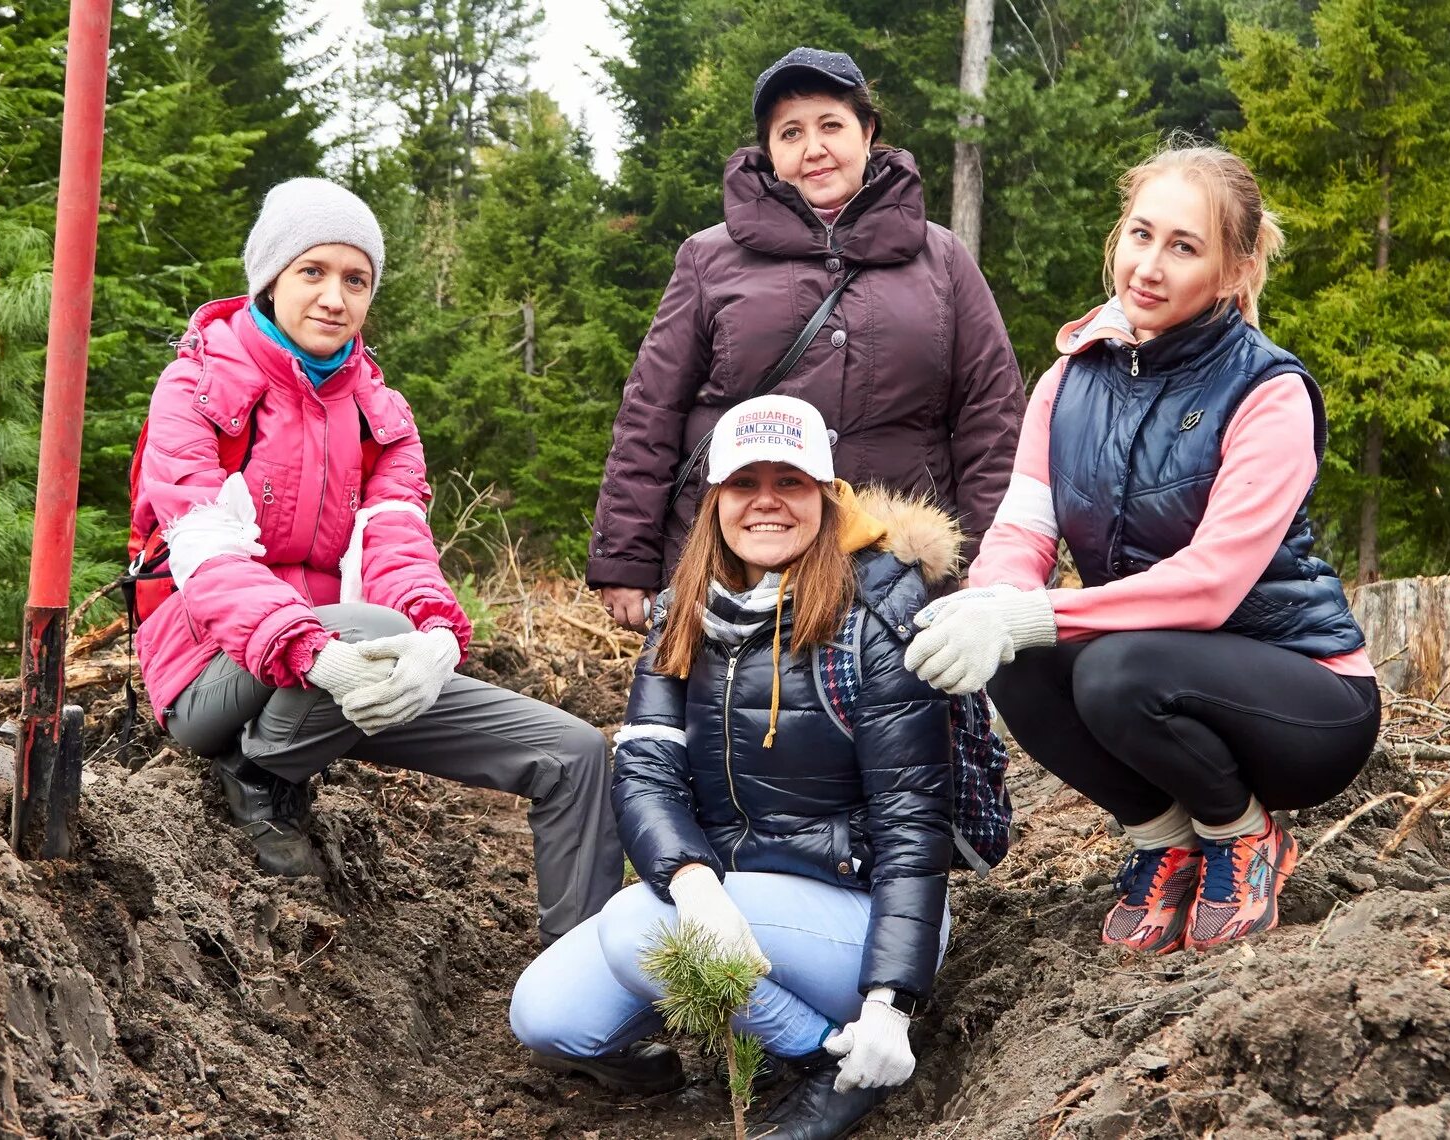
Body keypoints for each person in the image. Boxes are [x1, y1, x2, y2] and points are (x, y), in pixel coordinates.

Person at [906, 142, 1381, 956]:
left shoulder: (1268, 391)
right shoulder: (1068, 381)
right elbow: (1023, 528)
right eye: (1139, 234)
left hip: (1301, 700)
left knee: (1113, 669)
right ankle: (1166, 836)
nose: (1149, 267)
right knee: (1019, 653)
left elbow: (1209, 588)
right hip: (1151, 672)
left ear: (1232, 271)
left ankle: (1243, 833)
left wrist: (1029, 614)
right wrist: (989, 606)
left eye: (1183, 246)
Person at [130, 178, 621, 945]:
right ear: (270, 278)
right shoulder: (197, 387)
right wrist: (313, 649)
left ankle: (588, 994)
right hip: (213, 672)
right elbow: (206, 557)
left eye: (355, 280)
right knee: (367, 622)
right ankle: (258, 771)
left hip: (338, 670)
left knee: (575, 753)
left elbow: (399, 549)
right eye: (312, 272)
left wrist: (436, 640)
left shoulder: (380, 415)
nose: (334, 297)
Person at [513, 396, 957, 1140]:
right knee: (546, 1018)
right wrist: (694, 886)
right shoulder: (683, 611)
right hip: (731, 902)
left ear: (825, 491)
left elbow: (914, 821)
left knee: (633, 925)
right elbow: (648, 772)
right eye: (745, 483)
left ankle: (833, 1061)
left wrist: (890, 1000)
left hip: (853, 915)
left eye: (790, 482)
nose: (766, 503)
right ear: (715, 498)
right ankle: (770, 1024)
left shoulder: (878, 614)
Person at [588, 46, 1025, 633]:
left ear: (867, 132)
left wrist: (993, 566)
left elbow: (991, 417)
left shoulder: (942, 258)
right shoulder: (708, 258)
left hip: (895, 568)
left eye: (831, 125)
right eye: (790, 132)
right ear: (769, 151)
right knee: (733, 721)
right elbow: (651, 411)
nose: (813, 148)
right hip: (736, 558)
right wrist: (627, 556)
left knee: (898, 721)